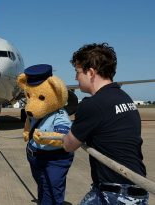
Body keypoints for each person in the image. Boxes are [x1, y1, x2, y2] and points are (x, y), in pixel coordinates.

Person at [62, 43, 149, 204]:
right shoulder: (124, 97)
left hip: (115, 194)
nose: (75, 78)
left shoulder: (92, 105)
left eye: (77, 72)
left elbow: (68, 145)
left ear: (91, 72)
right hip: (137, 191)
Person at [21, 64, 74, 205]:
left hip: (54, 159)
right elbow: (29, 119)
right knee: (43, 187)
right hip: (34, 156)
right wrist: (27, 131)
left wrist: (48, 138)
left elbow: (64, 137)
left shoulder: (60, 116)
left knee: (51, 190)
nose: (31, 105)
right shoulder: (36, 112)